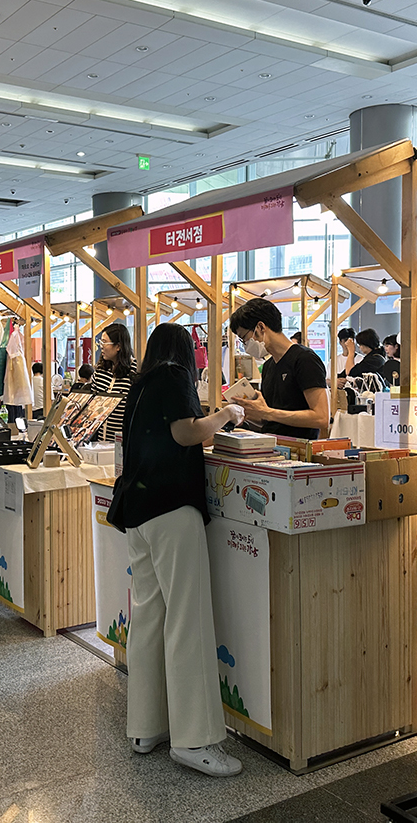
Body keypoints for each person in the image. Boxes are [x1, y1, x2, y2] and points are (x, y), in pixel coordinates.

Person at [118, 322, 246, 778]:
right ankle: (194, 740)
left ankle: (146, 726)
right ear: (185, 351)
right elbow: (188, 433)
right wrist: (227, 413)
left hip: (138, 510)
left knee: (149, 616)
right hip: (173, 508)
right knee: (188, 619)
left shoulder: (141, 383)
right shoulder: (174, 376)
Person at [228, 298, 330, 440]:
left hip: (298, 451)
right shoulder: (269, 366)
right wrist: (249, 413)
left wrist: (267, 412)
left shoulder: (304, 359)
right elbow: (270, 418)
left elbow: (321, 417)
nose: (245, 345)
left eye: (244, 338)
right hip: (269, 447)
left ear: (261, 327)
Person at [90, 322, 137, 442]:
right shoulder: (100, 371)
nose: (101, 346)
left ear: (118, 346)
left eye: (105, 342)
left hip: (125, 440)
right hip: (100, 440)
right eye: (100, 342)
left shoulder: (134, 370)